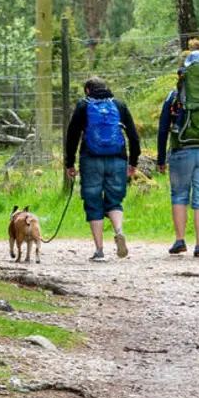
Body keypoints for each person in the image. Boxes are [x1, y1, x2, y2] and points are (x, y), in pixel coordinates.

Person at [62, 76, 141, 262]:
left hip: (91, 159)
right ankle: (119, 231)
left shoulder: (83, 105)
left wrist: (69, 163)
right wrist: (134, 162)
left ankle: (99, 250)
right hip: (117, 159)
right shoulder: (119, 105)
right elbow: (133, 135)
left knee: (93, 202)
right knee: (114, 201)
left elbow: (72, 135)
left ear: (87, 91)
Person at [158, 40, 199, 259]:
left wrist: (161, 159)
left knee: (179, 195)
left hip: (181, 150)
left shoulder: (174, 97)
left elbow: (163, 129)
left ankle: (179, 241)